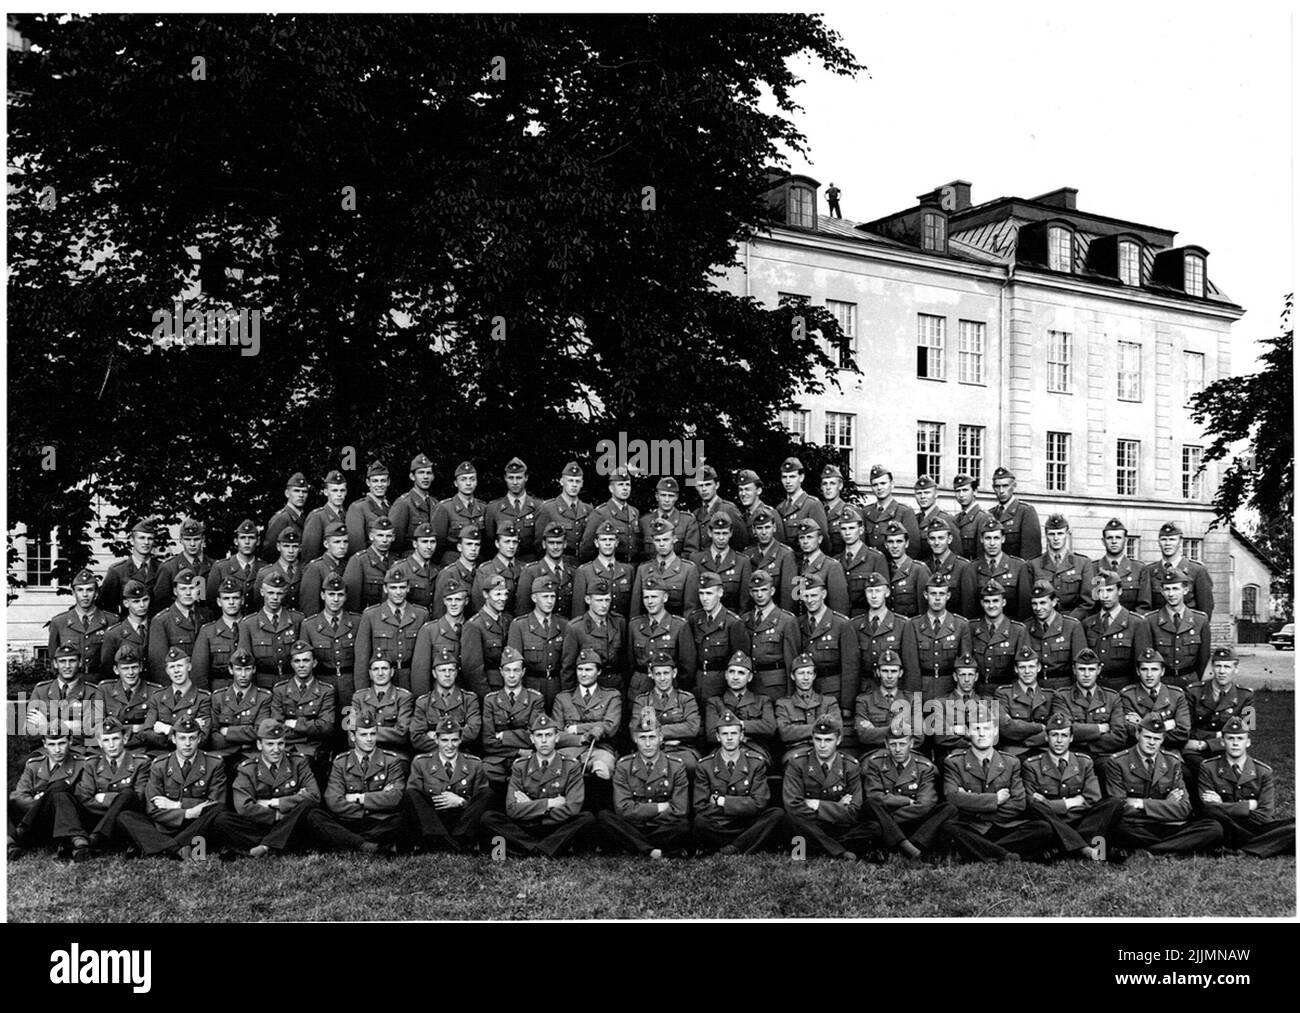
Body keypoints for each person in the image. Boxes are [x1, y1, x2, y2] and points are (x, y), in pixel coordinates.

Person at [1103, 714, 1224, 857]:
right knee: (1117, 829)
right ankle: (1177, 847)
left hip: (1168, 825)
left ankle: (1150, 851)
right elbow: (1119, 808)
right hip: (1136, 826)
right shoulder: (1117, 762)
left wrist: (1140, 803)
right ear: (1137, 734)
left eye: (1156, 739)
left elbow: (1184, 809)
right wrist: (1166, 804)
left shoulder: (1172, 762)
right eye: (1147, 737)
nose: (1151, 743)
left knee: (1213, 828)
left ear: (1162, 740)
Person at [942, 710, 1055, 863]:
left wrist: (974, 807)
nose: (982, 734)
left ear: (995, 731)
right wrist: (995, 800)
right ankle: (1006, 856)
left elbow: (1018, 804)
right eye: (976, 729)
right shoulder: (954, 762)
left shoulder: (1011, 762)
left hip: (1004, 827)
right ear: (968, 732)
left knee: (1043, 828)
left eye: (987, 728)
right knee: (949, 827)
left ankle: (982, 851)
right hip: (972, 827)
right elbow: (952, 798)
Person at [480, 713, 596, 857]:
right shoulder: (520, 766)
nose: (544, 740)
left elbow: (573, 808)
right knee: (488, 818)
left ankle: (527, 849)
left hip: (555, 825)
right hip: (527, 827)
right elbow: (512, 810)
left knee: (586, 818)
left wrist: (531, 808)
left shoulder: (571, 766)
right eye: (539, 736)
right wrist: (548, 804)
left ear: (557, 737)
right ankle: (543, 849)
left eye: (548, 735)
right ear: (532, 739)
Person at [212, 719, 331, 858]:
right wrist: (278, 815)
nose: (276, 750)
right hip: (271, 823)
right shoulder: (247, 768)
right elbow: (244, 807)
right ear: (259, 744)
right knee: (222, 820)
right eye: (270, 744)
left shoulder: (298, 762)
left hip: (292, 822)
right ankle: (281, 844)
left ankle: (265, 846)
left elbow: (314, 796)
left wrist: (273, 803)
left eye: (280, 743)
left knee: (309, 809)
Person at [116, 715, 227, 858]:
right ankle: (175, 848)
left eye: (192, 738)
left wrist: (177, 805)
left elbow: (215, 804)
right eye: (182, 738)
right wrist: (187, 812)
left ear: (199, 738)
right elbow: (153, 809)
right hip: (165, 825)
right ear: (174, 739)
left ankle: (162, 846)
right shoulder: (160, 765)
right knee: (125, 817)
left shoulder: (214, 764)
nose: (187, 744)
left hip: (197, 825)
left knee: (218, 812)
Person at [1021, 712, 1126, 862]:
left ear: (1071, 738)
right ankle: (1084, 849)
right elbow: (1031, 803)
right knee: (1036, 810)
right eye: (1054, 735)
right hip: (1053, 821)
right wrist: (1073, 802)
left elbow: (1093, 799)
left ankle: (1063, 847)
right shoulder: (1032, 765)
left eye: (1064, 736)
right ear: (1046, 737)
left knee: (1114, 803)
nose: (1059, 741)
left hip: (1082, 821)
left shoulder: (1084, 762)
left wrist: (1050, 803)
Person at [850, 718, 955, 861]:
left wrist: (888, 817)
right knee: (871, 805)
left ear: (911, 743)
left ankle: (910, 843)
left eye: (902, 744)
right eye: (893, 744)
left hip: (905, 823)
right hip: (887, 823)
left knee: (948, 808)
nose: (898, 749)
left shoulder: (924, 767)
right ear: (886, 744)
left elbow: (925, 805)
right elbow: (874, 797)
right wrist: (907, 801)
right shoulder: (875, 763)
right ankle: (908, 847)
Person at [598, 710, 692, 859]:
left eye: (652, 737)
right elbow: (622, 809)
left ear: (661, 738)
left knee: (683, 826)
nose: (648, 744)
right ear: (635, 739)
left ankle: (635, 847)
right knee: (604, 818)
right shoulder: (624, 766)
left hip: (659, 828)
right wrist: (659, 807)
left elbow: (680, 810)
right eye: (643, 738)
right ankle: (652, 851)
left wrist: (640, 814)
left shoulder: (676, 766)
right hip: (633, 826)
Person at [693, 709, 787, 856]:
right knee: (700, 822)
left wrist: (722, 801)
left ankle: (730, 848)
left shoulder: (755, 763)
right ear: (718, 737)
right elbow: (700, 806)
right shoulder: (705, 765)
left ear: (741, 736)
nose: (729, 738)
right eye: (725, 734)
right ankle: (744, 845)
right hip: (720, 825)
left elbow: (760, 803)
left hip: (748, 824)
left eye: (734, 733)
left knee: (777, 814)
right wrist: (743, 805)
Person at [1198, 717, 1294, 858]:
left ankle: (1245, 850)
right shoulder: (1209, 768)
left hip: (1258, 828)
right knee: (1213, 816)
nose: (1235, 743)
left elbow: (1265, 815)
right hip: (1228, 827)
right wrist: (1248, 806)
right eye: (1230, 738)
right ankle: (1267, 845)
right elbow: (1208, 807)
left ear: (1247, 742)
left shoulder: (1263, 771)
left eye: (1240, 738)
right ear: (1223, 742)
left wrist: (1222, 804)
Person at [401, 716, 491, 853]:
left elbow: (480, 801)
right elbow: (414, 801)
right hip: (432, 821)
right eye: (444, 740)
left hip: (463, 822)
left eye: (454, 740)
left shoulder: (475, 764)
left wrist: (461, 802)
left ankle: (446, 844)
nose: (450, 746)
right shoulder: (421, 762)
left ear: (461, 739)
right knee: (410, 793)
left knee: (488, 794)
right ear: (436, 740)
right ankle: (455, 845)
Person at [322, 710, 406, 851]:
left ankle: (350, 841)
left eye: (373, 734)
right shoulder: (341, 762)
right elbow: (333, 801)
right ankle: (368, 844)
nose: (369, 739)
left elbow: (395, 798)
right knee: (316, 816)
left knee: (404, 817)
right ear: (353, 736)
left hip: (381, 822)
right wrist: (370, 808)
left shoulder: (391, 761)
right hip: (351, 820)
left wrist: (358, 798)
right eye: (363, 734)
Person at [8, 726, 93, 862]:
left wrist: (44, 797)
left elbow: (83, 796)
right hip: (38, 823)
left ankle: (18, 836)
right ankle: (9, 844)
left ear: (70, 741)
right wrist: (44, 802)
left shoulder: (83, 764)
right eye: (52, 744)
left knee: (59, 788)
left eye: (61, 743)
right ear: (44, 744)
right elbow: (19, 797)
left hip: (67, 821)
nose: (57, 750)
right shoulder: (34, 765)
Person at [782, 717, 861, 861]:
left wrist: (815, 804)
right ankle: (838, 851)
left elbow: (854, 811)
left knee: (873, 826)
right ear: (812, 739)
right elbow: (793, 806)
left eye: (828, 740)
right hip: (809, 825)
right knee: (789, 819)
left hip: (836, 826)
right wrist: (837, 807)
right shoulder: (798, 763)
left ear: (838, 740)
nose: (822, 745)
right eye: (818, 739)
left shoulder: (850, 766)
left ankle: (817, 846)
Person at [80, 717, 152, 853]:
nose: (111, 745)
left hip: (126, 822)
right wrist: (117, 803)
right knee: (124, 797)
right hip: (99, 817)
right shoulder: (91, 764)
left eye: (116, 739)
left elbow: (138, 798)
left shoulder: (141, 763)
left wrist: (104, 798)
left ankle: (97, 838)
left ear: (124, 739)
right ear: (100, 743)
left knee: (128, 794)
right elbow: (85, 799)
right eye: (106, 740)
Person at [354, 563, 427, 694]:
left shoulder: (421, 615)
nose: (398, 592)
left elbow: (425, 659)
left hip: (411, 680)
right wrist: (362, 692)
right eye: (393, 587)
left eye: (402, 587)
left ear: (408, 588)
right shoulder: (371, 615)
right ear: (385, 589)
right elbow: (362, 659)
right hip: (380, 682)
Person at [799, 572, 859, 726]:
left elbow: (850, 667)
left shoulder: (841, 624)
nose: (810, 600)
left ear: (823, 594)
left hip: (833, 691)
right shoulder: (798, 624)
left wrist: (846, 704)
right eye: (806, 596)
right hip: (808, 692)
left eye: (814, 595)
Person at [553, 648, 622, 781]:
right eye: (580, 669)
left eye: (588, 670)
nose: (583, 674)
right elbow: (555, 734)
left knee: (603, 770)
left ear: (599, 671)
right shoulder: (563, 698)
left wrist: (576, 729)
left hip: (599, 750)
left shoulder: (611, 696)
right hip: (568, 750)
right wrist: (582, 737)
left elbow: (610, 726)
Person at [1184, 646, 1255, 774]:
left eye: (1227, 667)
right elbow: (1186, 727)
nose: (1222, 671)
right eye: (1218, 666)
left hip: (1227, 749)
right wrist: (1217, 735)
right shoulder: (1193, 692)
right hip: (1194, 752)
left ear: (1236, 669)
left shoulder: (1246, 696)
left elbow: (1248, 731)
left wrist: (1205, 744)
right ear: (1212, 668)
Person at [479, 646, 545, 785]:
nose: (511, 675)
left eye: (516, 670)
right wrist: (519, 751)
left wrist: (504, 736)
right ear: (501, 672)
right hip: (498, 759)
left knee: (536, 773)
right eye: (507, 670)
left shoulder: (535, 699)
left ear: (523, 672)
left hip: (527, 758)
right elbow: (488, 742)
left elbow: (534, 737)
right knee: (484, 771)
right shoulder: (490, 700)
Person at [626, 572, 696, 700]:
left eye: (654, 597)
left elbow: (687, 668)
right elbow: (629, 664)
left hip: (669, 691)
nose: (650, 602)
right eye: (646, 597)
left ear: (665, 598)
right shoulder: (634, 625)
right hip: (640, 690)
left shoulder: (679, 626)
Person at [630, 651, 702, 774]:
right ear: (651, 674)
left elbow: (692, 727)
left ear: (674, 673)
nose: (662, 678)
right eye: (658, 674)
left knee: (689, 765)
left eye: (666, 673)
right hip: (650, 749)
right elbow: (635, 732)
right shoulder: (642, 701)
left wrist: (658, 731)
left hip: (681, 749)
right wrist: (668, 737)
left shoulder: (686, 699)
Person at [1080, 570, 1152, 690]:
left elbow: (1142, 664)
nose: (1105, 596)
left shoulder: (1137, 623)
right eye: (1100, 591)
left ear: (1119, 591)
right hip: (1095, 689)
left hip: (1125, 689)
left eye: (1109, 590)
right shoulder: (1088, 623)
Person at [507, 573, 569, 709]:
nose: (550, 601)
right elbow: (514, 665)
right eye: (545, 596)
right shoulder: (519, 626)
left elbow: (567, 664)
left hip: (557, 689)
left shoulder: (564, 625)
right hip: (530, 689)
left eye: (552, 596)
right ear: (534, 598)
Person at [1050, 648, 1127, 757]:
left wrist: (1082, 742)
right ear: (1074, 670)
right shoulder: (1062, 696)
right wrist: (1099, 729)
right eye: (1082, 669)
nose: (1086, 674)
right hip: (1074, 756)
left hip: (1103, 756)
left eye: (1091, 669)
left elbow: (1119, 736)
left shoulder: (1112, 697)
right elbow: (1063, 731)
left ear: (1099, 670)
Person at [851, 572, 919, 696]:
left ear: (887, 593)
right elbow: (852, 668)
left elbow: (911, 668)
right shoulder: (855, 625)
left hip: (895, 691)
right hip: (865, 691)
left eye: (878, 591)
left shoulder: (903, 624)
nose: (874, 596)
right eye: (869, 591)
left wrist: (913, 701)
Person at [703, 651, 777, 762]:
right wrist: (742, 736)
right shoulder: (715, 702)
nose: (735, 677)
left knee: (752, 762)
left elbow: (770, 728)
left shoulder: (762, 700)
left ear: (750, 677)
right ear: (726, 675)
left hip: (754, 749)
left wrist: (740, 724)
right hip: (723, 751)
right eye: (732, 672)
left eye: (741, 673)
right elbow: (711, 735)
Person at [270, 641, 337, 762]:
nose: (301, 665)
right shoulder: (280, 690)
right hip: (285, 747)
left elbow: (326, 728)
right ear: (291, 664)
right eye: (297, 661)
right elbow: (276, 727)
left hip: (312, 748)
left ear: (314, 663)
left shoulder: (326, 690)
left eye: (306, 660)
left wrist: (294, 724)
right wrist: (310, 729)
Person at [688, 571, 748, 706]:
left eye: (709, 593)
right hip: (698, 684)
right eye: (701, 594)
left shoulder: (733, 623)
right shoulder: (694, 619)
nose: (704, 598)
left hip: (721, 687)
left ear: (720, 593)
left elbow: (740, 660)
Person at [560, 577, 628, 695]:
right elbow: (568, 669)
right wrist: (569, 697)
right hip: (589, 690)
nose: (604, 605)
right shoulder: (576, 627)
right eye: (599, 600)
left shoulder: (619, 622)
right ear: (588, 600)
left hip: (616, 688)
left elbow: (625, 662)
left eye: (607, 600)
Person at [909, 571, 972, 698]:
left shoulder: (961, 625)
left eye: (941, 594)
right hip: (923, 690)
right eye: (933, 594)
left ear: (948, 595)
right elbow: (912, 668)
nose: (937, 598)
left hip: (950, 691)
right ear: (926, 595)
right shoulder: (914, 625)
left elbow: (965, 666)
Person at [1145, 569, 1211, 689]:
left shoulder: (1200, 620)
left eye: (1175, 589)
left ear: (1185, 590)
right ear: (1162, 591)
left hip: (1191, 683)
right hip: (1161, 684)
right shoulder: (1150, 620)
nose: (1171, 594)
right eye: (1167, 589)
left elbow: (1204, 659)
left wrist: (1197, 683)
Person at [300, 573, 361, 702]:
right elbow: (304, 662)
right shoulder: (309, 625)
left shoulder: (357, 622)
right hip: (321, 688)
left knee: (349, 721)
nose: (335, 599)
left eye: (340, 595)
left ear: (346, 597)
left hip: (350, 687)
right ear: (323, 596)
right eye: (331, 594)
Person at [237, 571, 303, 689]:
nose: (274, 598)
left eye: (279, 593)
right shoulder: (249, 624)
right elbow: (245, 661)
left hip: (291, 683)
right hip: (261, 685)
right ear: (262, 592)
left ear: (284, 594)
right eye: (270, 593)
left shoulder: (297, 619)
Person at [741, 569, 799, 703]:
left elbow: (792, 661)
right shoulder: (744, 620)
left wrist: (791, 695)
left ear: (772, 591)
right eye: (755, 591)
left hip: (776, 686)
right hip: (751, 686)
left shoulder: (786, 620)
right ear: (750, 593)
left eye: (763, 590)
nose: (759, 595)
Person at [410, 647, 482, 754]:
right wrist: (455, 736)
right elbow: (416, 737)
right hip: (432, 758)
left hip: (463, 756)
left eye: (451, 670)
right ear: (434, 673)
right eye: (442, 670)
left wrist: (437, 735)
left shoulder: (469, 699)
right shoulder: (424, 702)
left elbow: (473, 731)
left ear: (456, 673)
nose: (447, 674)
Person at [140, 647, 211, 754]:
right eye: (172, 667)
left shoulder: (203, 698)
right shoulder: (157, 697)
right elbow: (147, 734)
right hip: (159, 755)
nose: (176, 671)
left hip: (192, 756)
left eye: (180, 666)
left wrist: (167, 730)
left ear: (189, 666)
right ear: (167, 671)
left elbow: (203, 738)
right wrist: (187, 734)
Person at [207, 647, 272, 764]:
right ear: (230, 670)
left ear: (254, 669)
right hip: (223, 754)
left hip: (251, 755)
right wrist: (242, 742)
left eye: (247, 669)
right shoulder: (218, 697)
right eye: (238, 669)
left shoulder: (264, 697)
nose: (243, 675)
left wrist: (227, 732)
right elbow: (213, 735)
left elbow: (260, 732)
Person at [27, 642, 103, 741]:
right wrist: (70, 726)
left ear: (80, 663)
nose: (67, 666)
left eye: (72, 661)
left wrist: (45, 725)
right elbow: (29, 732)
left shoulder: (92, 692)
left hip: (81, 751)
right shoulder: (41, 691)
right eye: (62, 661)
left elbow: (93, 731)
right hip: (48, 749)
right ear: (55, 664)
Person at [1119, 647, 1191, 751]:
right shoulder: (1127, 695)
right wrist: (1167, 725)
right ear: (1138, 671)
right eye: (1144, 669)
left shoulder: (1176, 695)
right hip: (1136, 751)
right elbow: (1129, 733)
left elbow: (1183, 733)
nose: (1149, 675)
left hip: (1169, 751)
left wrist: (1141, 723)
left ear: (1162, 671)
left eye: (1154, 669)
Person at [146, 568, 210, 683]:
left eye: (192, 588)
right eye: (183, 589)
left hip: (202, 685)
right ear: (175, 591)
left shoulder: (207, 616)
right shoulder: (161, 621)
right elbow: (158, 665)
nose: (188, 593)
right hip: (177, 686)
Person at [853, 649, 922, 756]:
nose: (889, 676)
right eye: (885, 671)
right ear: (878, 672)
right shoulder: (864, 700)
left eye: (894, 671)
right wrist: (899, 729)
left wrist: (876, 731)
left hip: (906, 755)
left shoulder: (912, 700)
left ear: (900, 673)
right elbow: (863, 735)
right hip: (875, 755)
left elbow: (919, 736)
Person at [775, 654, 840, 766]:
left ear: (814, 676)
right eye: (801, 673)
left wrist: (798, 730)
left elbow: (838, 731)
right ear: (792, 676)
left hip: (826, 752)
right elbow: (785, 734)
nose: (806, 678)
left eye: (809, 673)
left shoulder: (829, 702)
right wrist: (820, 727)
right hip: (796, 752)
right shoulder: (783, 704)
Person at [346, 653, 415, 757]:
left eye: (384, 668)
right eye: (375, 669)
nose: (380, 673)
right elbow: (351, 735)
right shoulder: (358, 698)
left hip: (394, 754)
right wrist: (389, 733)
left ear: (391, 672)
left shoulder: (404, 697)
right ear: (370, 673)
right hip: (364, 755)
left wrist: (364, 733)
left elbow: (402, 734)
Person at [48, 568, 113, 678]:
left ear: (96, 593)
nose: (85, 595)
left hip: (101, 682)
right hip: (72, 681)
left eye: (89, 590)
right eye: (80, 590)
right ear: (74, 593)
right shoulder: (59, 622)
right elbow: (53, 660)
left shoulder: (111, 621)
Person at [1079, 518, 1150, 617]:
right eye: (1109, 538)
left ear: (1125, 540)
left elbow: (1143, 606)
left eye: (1118, 537)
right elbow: (1088, 605)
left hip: (1130, 626)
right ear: (1103, 541)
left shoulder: (1139, 569)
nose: (1114, 541)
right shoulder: (1091, 568)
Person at [1024, 578, 1087, 689]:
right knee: (987, 705)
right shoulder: (1025, 627)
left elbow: (1080, 665)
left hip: (1064, 688)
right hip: (1035, 688)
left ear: (1053, 602)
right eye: (1034, 604)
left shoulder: (1072, 626)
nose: (1038, 608)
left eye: (1042, 603)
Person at [633, 516, 701, 617]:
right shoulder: (643, 570)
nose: (661, 544)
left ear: (674, 539)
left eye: (665, 539)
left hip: (678, 629)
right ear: (652, 541)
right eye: (657, 540)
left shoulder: (688, 570)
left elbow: (690, 610)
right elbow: (636, 610)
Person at [1143, 522, 1215, 618]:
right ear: (1158, 542)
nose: (1167, 543)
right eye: (1164, 539)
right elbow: (1146, 606)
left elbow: (1206, 608)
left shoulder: (1197, 570)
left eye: (1172, 539)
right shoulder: (1150, 571)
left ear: (1180, 542)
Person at [994, 645, 1054, 758]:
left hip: (1044, 751)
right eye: (1022, 667)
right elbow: (1005, 727)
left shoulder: (1050, 695)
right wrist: (1040, 727)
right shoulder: (1003, 694)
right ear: (1016, 669)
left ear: (1039, 668)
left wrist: (1031, 740)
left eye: (1031, 667)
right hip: (1014, 752)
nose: (1027, 671)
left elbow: (1056, 729)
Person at [459, 572, 510, 699]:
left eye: (505, 594)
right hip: (489, 691)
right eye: (497, 594)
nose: (502, 598)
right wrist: (487, 698)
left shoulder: (507, 620)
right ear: (486, 595)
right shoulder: (474, 625)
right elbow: (473, 671)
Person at [1027, 514, 1090, 616]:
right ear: (1046, 536)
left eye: (1060, 533)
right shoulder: (1034, 564)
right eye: (1052, 534)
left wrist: (1069, 622)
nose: (1056, 538)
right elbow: (1028, 601)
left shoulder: (1082, 563)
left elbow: (1088, 602)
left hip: (1073, 622)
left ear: (1067, 534)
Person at [969, 579, 1028, 689]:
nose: (991, 606)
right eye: (987, 601)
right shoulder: (971, 628)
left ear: (1004, 602)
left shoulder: (1017, 630)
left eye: (995, 601)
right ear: (982, 603)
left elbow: (1022, 669)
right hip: (978, 691)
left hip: (1006, 692)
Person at [98, 645, 158, 752]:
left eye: (134, 667)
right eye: (125, 668)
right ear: (116, 670)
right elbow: (96, 726)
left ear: (140, 667)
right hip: (110, 749)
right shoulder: (104, 690)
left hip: (144, 750)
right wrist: (135, 728)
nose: (130, 673)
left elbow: (156, 734)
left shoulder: (155, 692)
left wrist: (118, 731)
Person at [485, 457, 543, 563]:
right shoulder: (493, 508)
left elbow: (540, 542)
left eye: (519, 478)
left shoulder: (539, 507)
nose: (515, 482)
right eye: (511, 478)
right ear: (505, 478)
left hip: (530, 563)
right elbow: (489, 542)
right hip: (502, 565)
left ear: (526, 478)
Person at [572, 520, 635, 618]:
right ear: (596, 543)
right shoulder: (585, 572)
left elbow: (633, 609)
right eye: (604, 540)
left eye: (611, 539)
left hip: (621, 629)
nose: (608, 543)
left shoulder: (628, 571)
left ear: (617, 542)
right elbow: (578, 611)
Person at [691, 513, 751, 615]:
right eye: (717, 533)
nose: (721, 538)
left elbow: (744, 603)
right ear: (710, 533)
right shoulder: (696, 559)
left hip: (731, 621)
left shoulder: (742, 562)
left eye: (725, 533)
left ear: (731, 533)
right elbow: (693, 599)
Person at [973, 517, 1031, 621]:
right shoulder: (971, 568)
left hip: (1011, 628)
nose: (992, 543)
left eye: (996, 538)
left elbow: (1024, 607)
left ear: (1003, 539)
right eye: (988, 538)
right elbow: (969, 608)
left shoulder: (1019, 566)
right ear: (981, 539)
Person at [191, 579, 244, 690]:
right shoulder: (208, 632)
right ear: (219, 602)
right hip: (219, 693)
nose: (231, 602)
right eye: (226, 598)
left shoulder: (251, 627)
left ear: (242, 600)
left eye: (235, 598)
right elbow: (199, 674)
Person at [579, 465, 640, 562]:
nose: (625, 488)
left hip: (632, 569)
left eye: (627, 484)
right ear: (611, 489)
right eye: (620, 485)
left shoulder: (634, 512)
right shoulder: (601, 513)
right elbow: (587, 548)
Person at [534, 461, 593, 560]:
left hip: (583, 566)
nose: (574, 485)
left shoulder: (588, 510)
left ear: (582, 483)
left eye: (577, 481)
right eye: (570, 481)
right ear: (561, 482)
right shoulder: (548, 509)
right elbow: (540, 546)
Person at [100, 520, 160, 618]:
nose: (146, 542)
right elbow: (107, 606)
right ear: (132, 540)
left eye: (150, 538)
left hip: (156, 627)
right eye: (142, 538)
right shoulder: (117, 571)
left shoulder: (161, 569)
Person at [152, 519, 211, 617]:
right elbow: (160, 604)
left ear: (203, 539)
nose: (192, 544)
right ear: (180, 539)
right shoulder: (169, 568)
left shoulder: (214, 566)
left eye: (196, 539)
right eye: (187, 539)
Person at [837, 506, 889, 618]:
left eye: (851, 528)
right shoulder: (835, 561)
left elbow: (884, 595)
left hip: (866, 619)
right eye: (843, 529)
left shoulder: (876, 558)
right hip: (841, 619)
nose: (847, 533)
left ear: (861, 530)